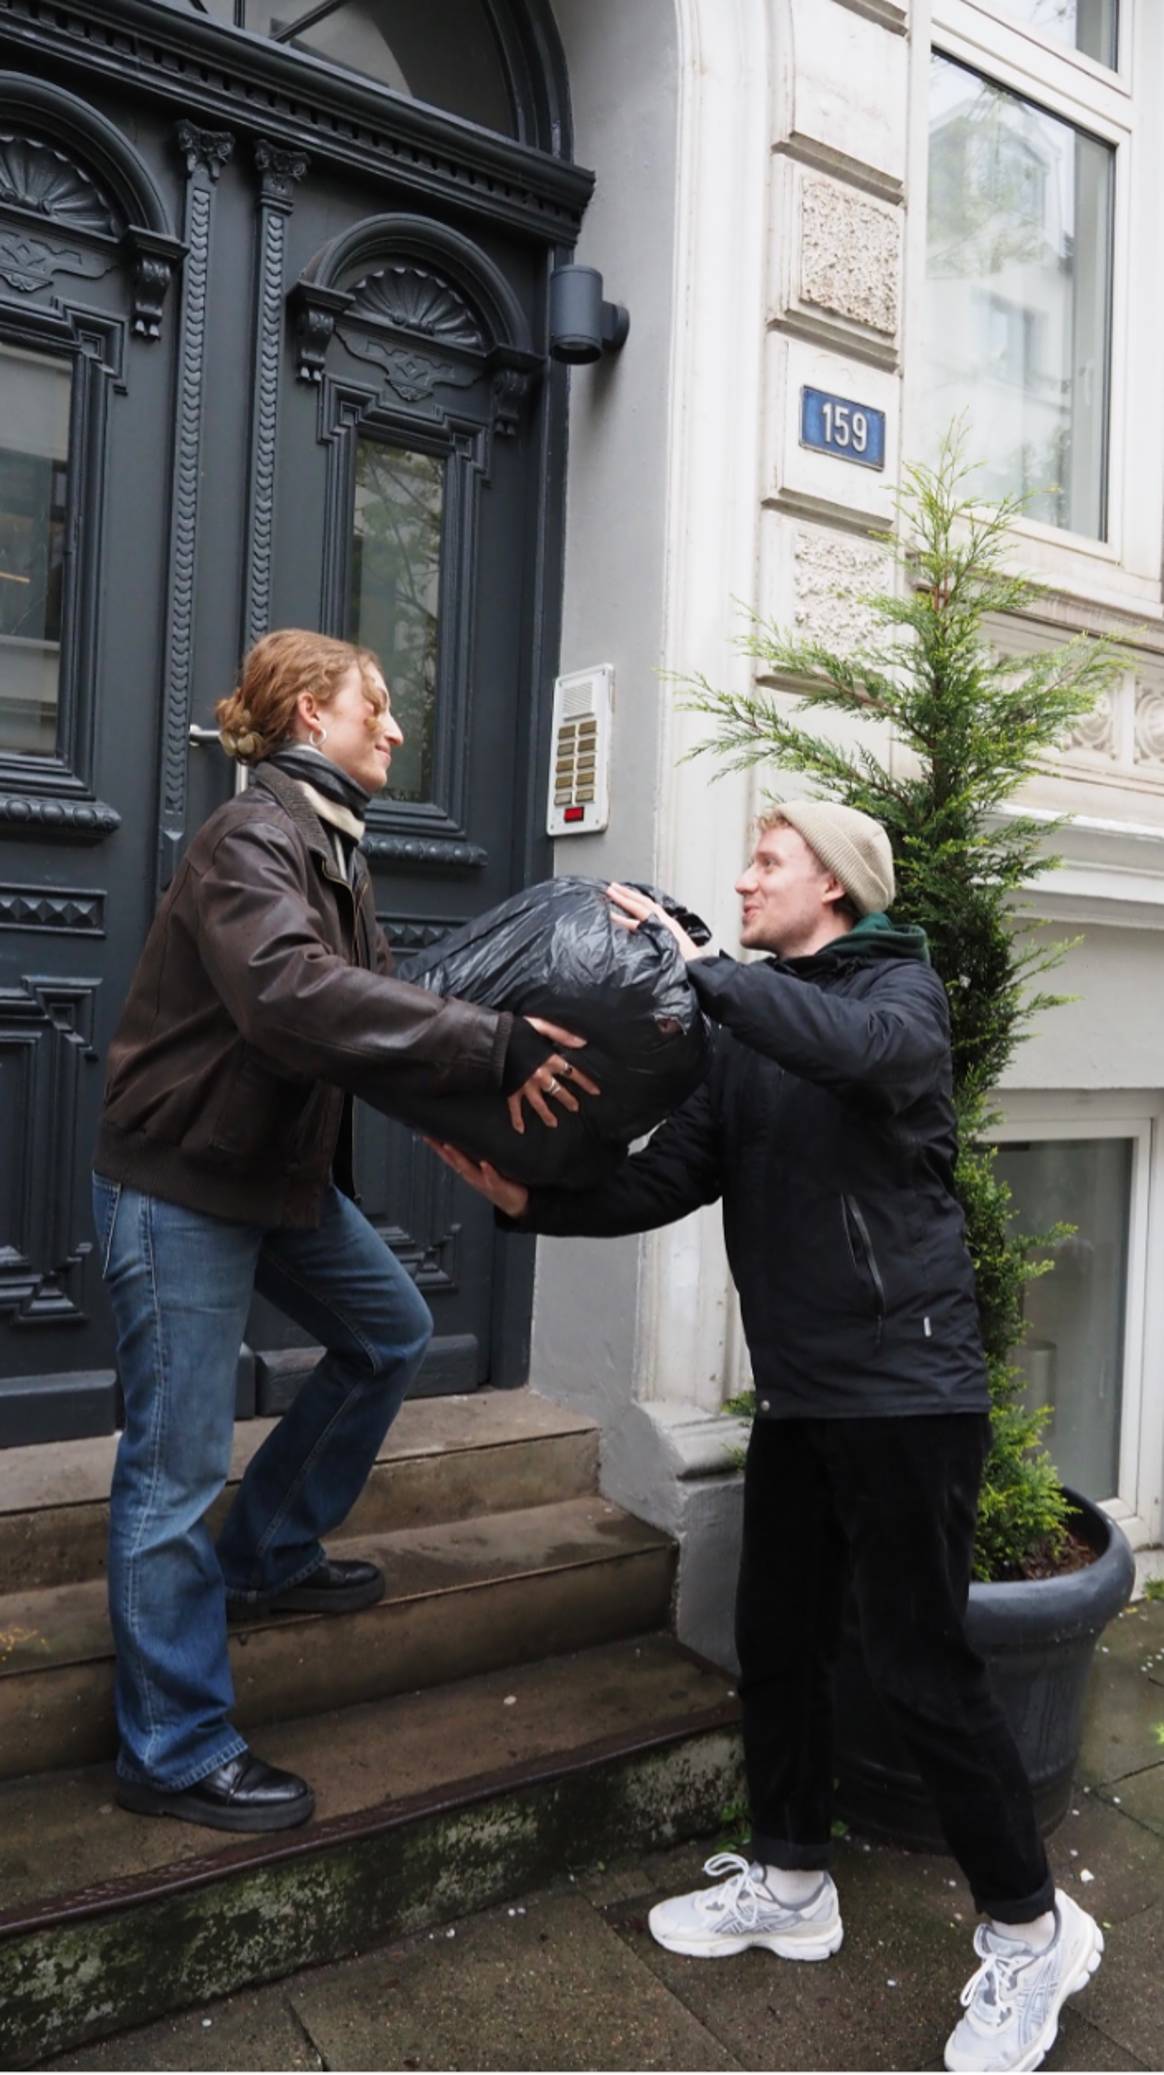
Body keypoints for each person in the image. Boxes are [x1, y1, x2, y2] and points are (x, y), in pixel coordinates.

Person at [429, 798, 1102, 2075]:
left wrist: (704, 973)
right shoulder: (742, 1033)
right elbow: (670, 1172)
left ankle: (1031, 1927)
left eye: (768, 862)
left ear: (837, 887)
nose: (741, 880)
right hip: (804, 1390)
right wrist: (532, 1201)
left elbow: (861, 1053)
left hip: (908, 1390)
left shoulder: (898, 990)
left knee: (920, 1663)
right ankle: (793, 1879)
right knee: (779, 1636)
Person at [92, 628, 596, 1835]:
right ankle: (170, 1744)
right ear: (315, 712)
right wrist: (489, 1046)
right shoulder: (250, 838)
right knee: (172, 1469)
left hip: (271, 1177)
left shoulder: (329, 845)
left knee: (391, 1330)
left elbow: (388, 1010)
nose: (400, 728)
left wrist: (490, 1079)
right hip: (184, 1185)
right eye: (381, 704)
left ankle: (265, 1551)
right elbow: (292, 997)